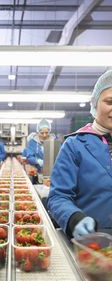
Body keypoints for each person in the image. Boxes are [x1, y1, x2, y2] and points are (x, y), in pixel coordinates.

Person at [47, 70, 112, 239]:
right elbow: (58, 197)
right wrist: (74, 218)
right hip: (91, 242)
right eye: (110, 101)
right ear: (95, 103)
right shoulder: (75, 145)